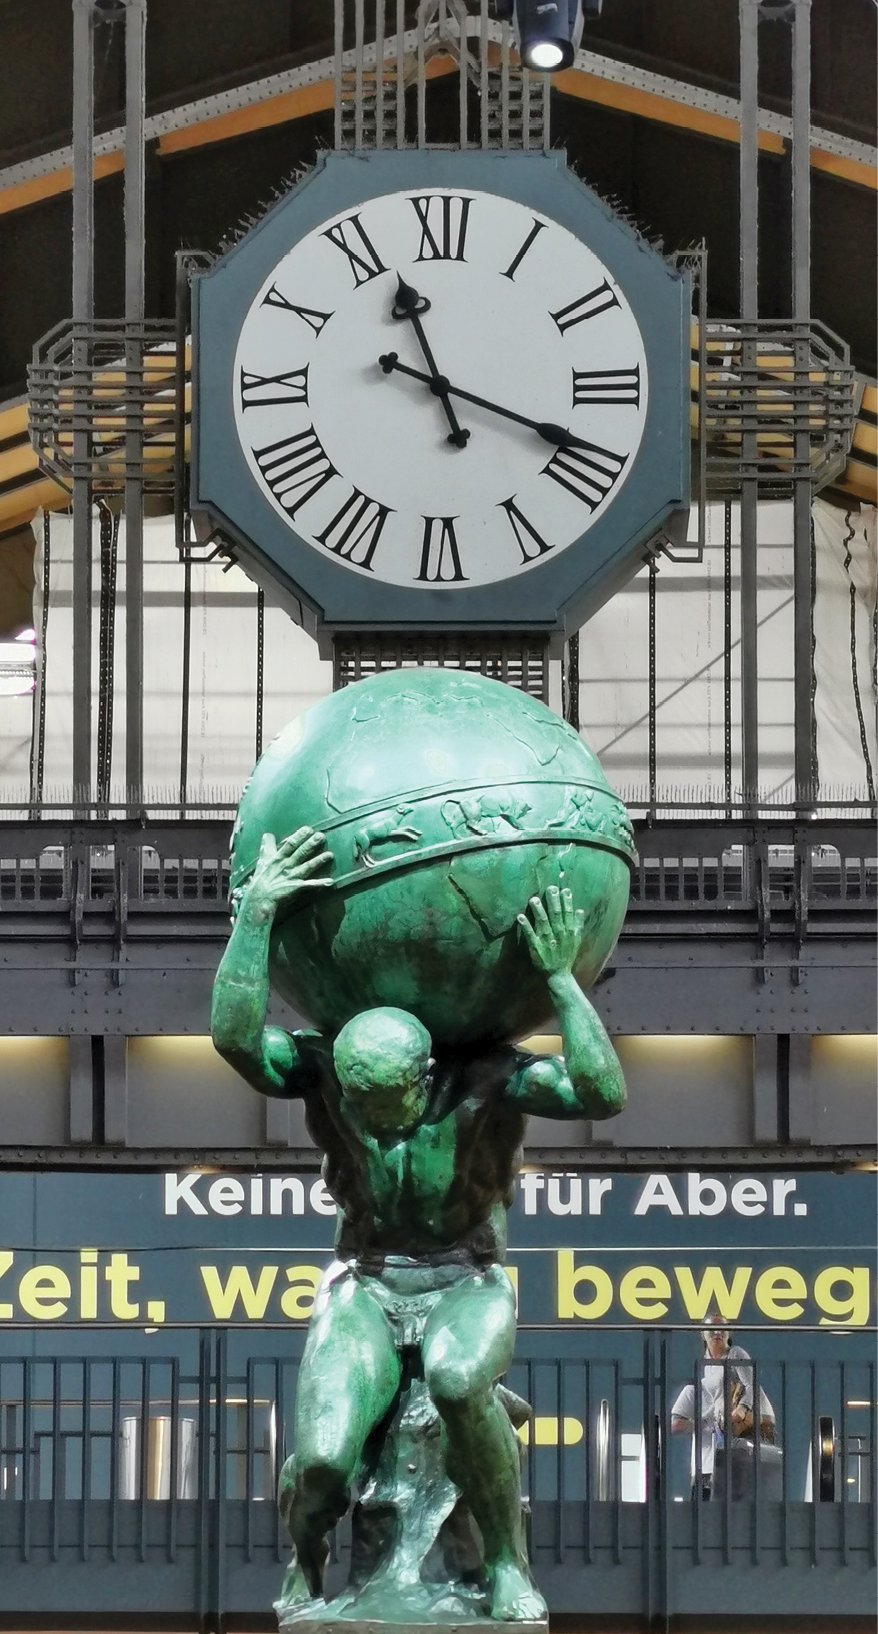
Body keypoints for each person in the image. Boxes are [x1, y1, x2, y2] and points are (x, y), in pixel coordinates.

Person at [210, 825, 627, 1622]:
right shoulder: (324, 1072)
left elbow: (603, 1094)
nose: (376, 1122)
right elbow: (233, 1039)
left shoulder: (488, 1081)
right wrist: (257, 914)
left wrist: (563, 983)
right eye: (360, 1104)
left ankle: (507, 1567)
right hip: (365, 1283)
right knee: (325, 1460)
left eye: (391, 1103)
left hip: (462, 1278)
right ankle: (306, 1563)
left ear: (425, 1073)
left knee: (461, 1380)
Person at [670, 1315, 775, 1499]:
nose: (717, 1333)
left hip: (749, 1421)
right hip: (728, 1427)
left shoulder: (735, 1353)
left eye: (722, 1329)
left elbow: (751, 1385)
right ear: (703, 1334)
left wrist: (741, 1408)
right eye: (712, 1329)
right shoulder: (707, 1365)